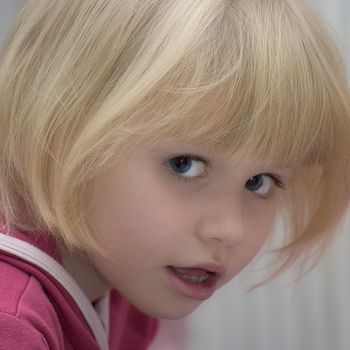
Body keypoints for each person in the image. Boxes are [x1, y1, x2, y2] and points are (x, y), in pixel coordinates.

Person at [0, 0, 349, 349]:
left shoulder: (129, 272)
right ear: (60, 127)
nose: (230, 229)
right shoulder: (12, 322)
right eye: (185, 164)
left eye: (259, 182)